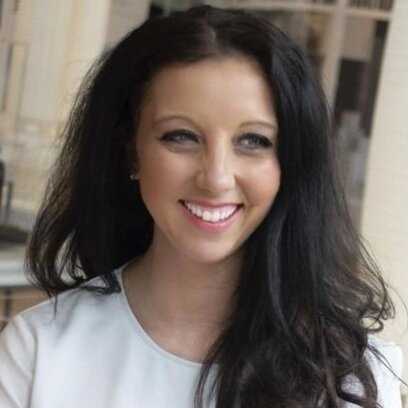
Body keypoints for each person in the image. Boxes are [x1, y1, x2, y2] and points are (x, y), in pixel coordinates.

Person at [0, 5, 404, 408]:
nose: (216, 178)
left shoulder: (355, 377)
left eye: (254, 141)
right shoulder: (37, 353)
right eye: (181, 136)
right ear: (130, 152)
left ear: (291, 163)